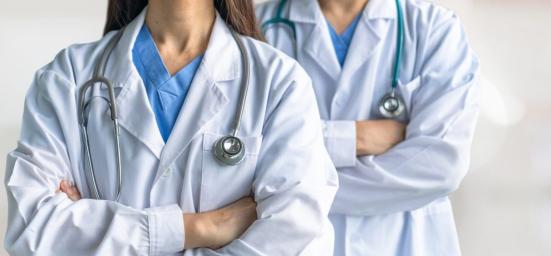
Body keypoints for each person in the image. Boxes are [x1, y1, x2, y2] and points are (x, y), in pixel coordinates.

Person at [4, 0, 338, 255]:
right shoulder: (69, 77)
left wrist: (91, 231)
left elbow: (297, 236)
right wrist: (200, 228)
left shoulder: (279, 82)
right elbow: (33, 232)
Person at [256, 0, 480, 254]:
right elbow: (242, 159)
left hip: (404, 243)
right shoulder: (256, 26)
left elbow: (441, 166)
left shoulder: (434, 29)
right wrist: (354, 138)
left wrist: (285, 191)